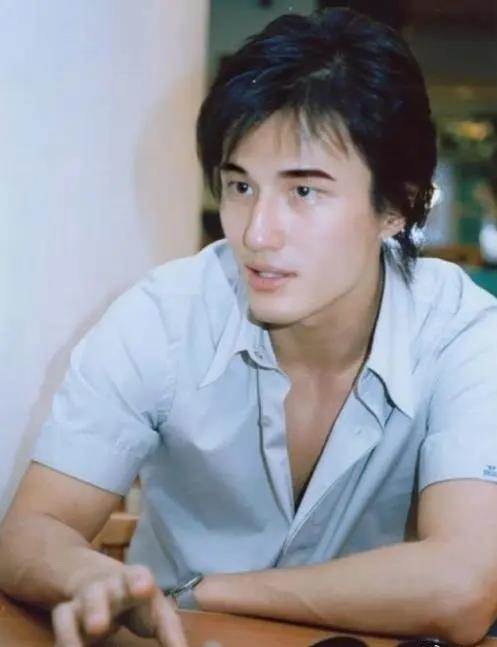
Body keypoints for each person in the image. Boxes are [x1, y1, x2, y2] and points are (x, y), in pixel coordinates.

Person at [1, 7, 497, 646]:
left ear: (397, 205)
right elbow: (29, 532)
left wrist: (200, 591)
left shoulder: (464, 335)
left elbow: (463, 587)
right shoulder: (165, 316)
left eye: (303, 191)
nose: (257, 234)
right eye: (240, 186)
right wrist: (89, 576)